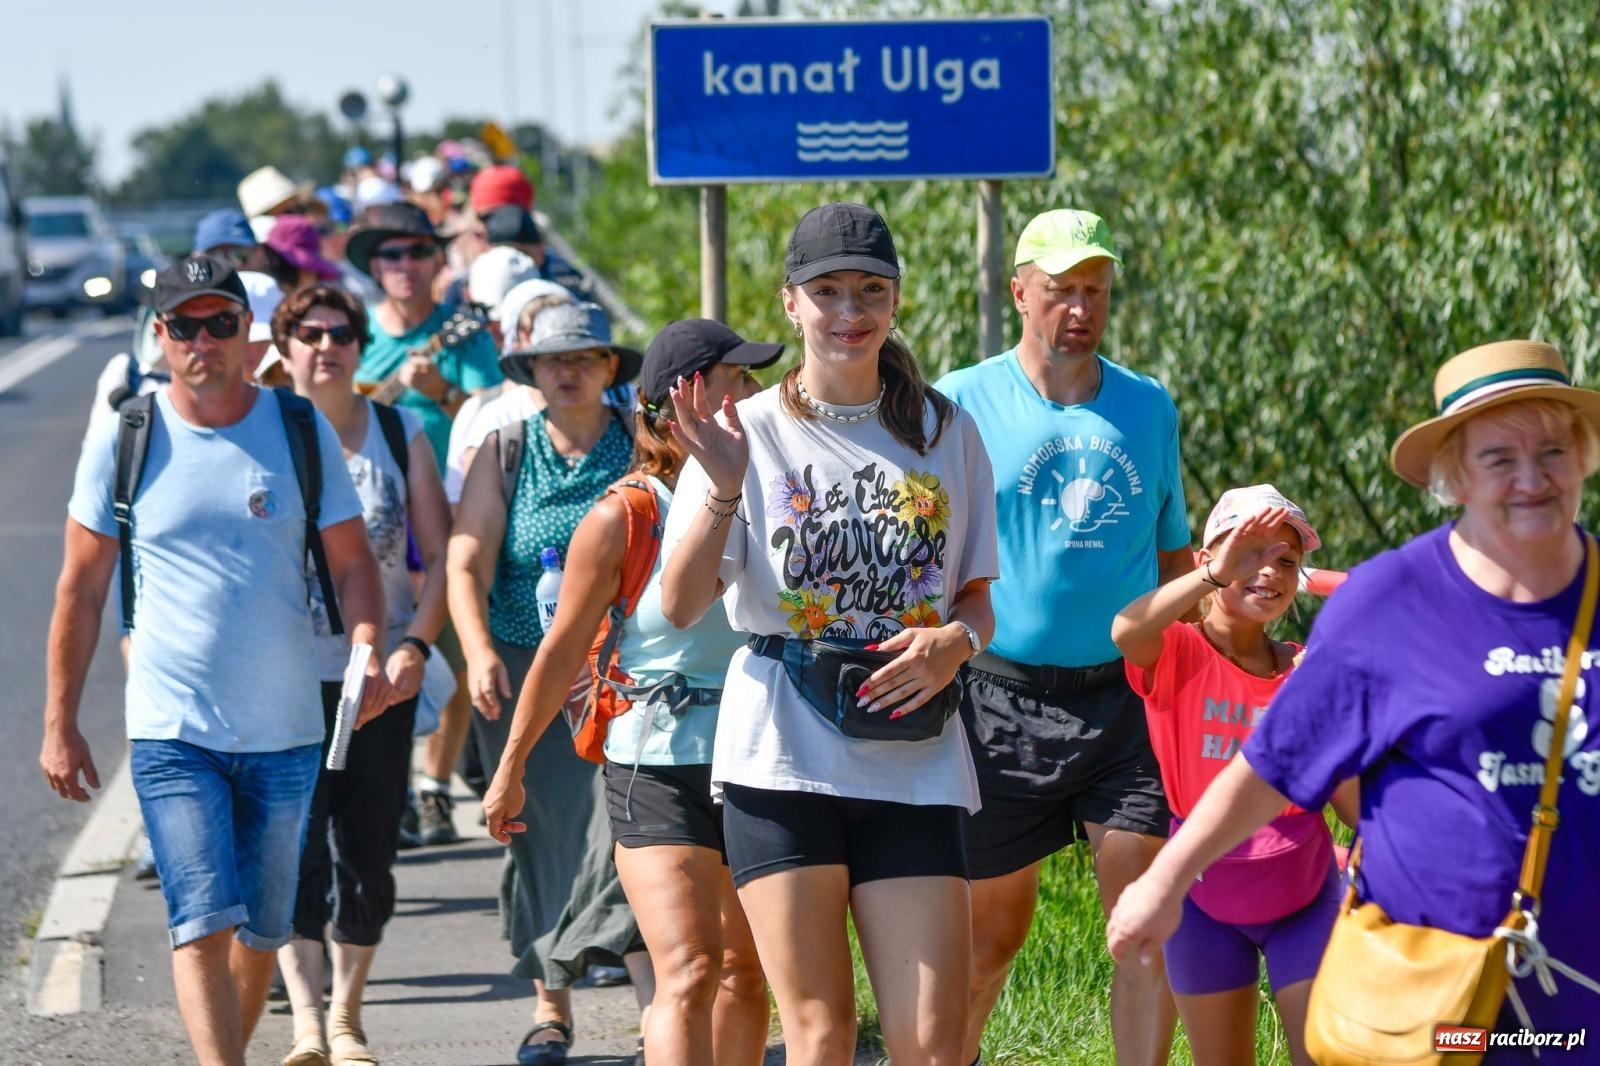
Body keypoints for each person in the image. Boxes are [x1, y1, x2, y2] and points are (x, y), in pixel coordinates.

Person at [1108, 340, 1600, 1056]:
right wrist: (1166, 882)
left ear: (1583, 457)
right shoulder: (1385, 603)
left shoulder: (1302, 658)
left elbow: (1341, 789)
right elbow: (1272, 764)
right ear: (1455, 475)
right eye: (1499, 457)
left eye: (1553, 451)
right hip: (1441, 980)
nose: (1531, 478)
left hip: (1581, 991)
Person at [659, 201, 998, 1066]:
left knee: (933, 1044)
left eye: (871, 290)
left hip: (914, 758)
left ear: (896, 299)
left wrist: (955, 644)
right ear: (790, 303)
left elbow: (976, 600)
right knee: (821, 1035)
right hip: (783, 755)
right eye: (828, 291)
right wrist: (723, 487)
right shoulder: (746, 432)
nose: (851, 311)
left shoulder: (946, 431)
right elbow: (681, 604)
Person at [40, 255, 392, 1066]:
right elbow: (80, 591)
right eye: (186, 327)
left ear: (247, 331)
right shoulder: (126, 436)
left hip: (286, 730)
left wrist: (368, 644)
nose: (204, 342)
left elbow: (352, 566)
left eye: (221, 323)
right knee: (200, 921)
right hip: (173, 730)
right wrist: (60, 721)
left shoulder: (297, 429)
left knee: (263, 930)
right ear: (160, 337)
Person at [483, 319, 781, 1066]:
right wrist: (511, 768)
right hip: (655, 762)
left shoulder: (771, 491)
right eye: (737, 379)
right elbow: (559, 652)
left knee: (746, 973)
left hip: (758, 756)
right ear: (682, 399)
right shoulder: (624, 515)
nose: (754, 392)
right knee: (689, 969)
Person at [935, 208, 1191, 1065]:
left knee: (1144, 928)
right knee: (988, 943)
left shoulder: (1148, 405)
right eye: (1061, 290)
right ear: (1020, 293)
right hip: (996, 699)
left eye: (1096, 291)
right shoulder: (961, 401)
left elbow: (1174, 553)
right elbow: (928, 554)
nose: (1080, 309)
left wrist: (1196, 668)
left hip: (1126, 701)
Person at [448, 301, 641, 1065]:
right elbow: (466, 560)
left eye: (584, 358)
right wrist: (476, 651)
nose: (568, 372)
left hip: (618, 673)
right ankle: (550, 1009)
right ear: (530, 371)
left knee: (629, 831)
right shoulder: (506, 449)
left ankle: (655, 1009)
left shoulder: (640, 442)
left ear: (609, 368)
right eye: (553, 360)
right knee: (538, 833)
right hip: (524, 669)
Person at [269, 283, 452, 1066]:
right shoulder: (264, 431)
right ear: (284, 348)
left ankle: (347, 1017)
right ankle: (307, 1022)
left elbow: (440, 556)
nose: (326, 347)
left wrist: (416, 647)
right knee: (293, 850)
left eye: (340, 333)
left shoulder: (397, 429)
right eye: (309, 334)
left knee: (367, 853)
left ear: (358, 344)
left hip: (378, 680)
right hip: (280, 681)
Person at [1111, 485, 1353, 1066]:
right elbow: (1126, 630)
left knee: (1322, 1056)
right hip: (1203, 902)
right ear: (1210, 561)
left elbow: (1350, 804)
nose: (1268, 570)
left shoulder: (1305, 669)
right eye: (1250, 552)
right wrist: (1216, 574)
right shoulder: (1180, 653)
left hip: (1305, 892)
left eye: (1286, 561)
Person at [351, 200, 504, 845]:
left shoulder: (461, 333)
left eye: (418, 251)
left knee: (452, 650)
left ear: (438, 260)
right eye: (392, 254)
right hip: (366, 519)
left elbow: (495, 413)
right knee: (371, 650)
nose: (406, 264)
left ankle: (435, 787)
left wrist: (440, 391)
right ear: (374, 265)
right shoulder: (353, 333)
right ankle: (386, 786)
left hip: (453, 511)